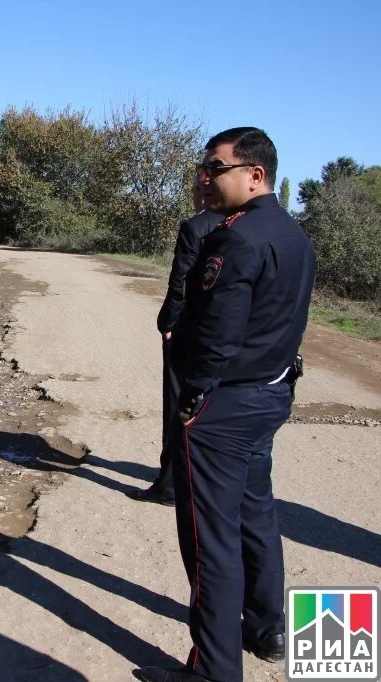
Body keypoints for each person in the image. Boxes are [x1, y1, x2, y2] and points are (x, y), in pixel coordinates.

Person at [136, 128, 315, 682]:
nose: (204, 178)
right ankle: (268, 628)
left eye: (216, 167)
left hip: (227, 408)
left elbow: (217, 336)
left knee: (211, 542)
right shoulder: (293, 235)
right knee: (255, 512)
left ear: (255, 174)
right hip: (270, 396)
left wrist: (191, 402)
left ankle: (214, 668)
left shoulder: (235, 239)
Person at [126, 178, 223, 506]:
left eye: (197, 189)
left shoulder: (196, 227)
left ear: (203, 193)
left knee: (178, 406)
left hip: (189, 332)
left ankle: (170, 484)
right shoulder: (249, 225)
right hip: (229, 337)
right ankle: (206, 483)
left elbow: (180, 281)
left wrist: (168, 322)